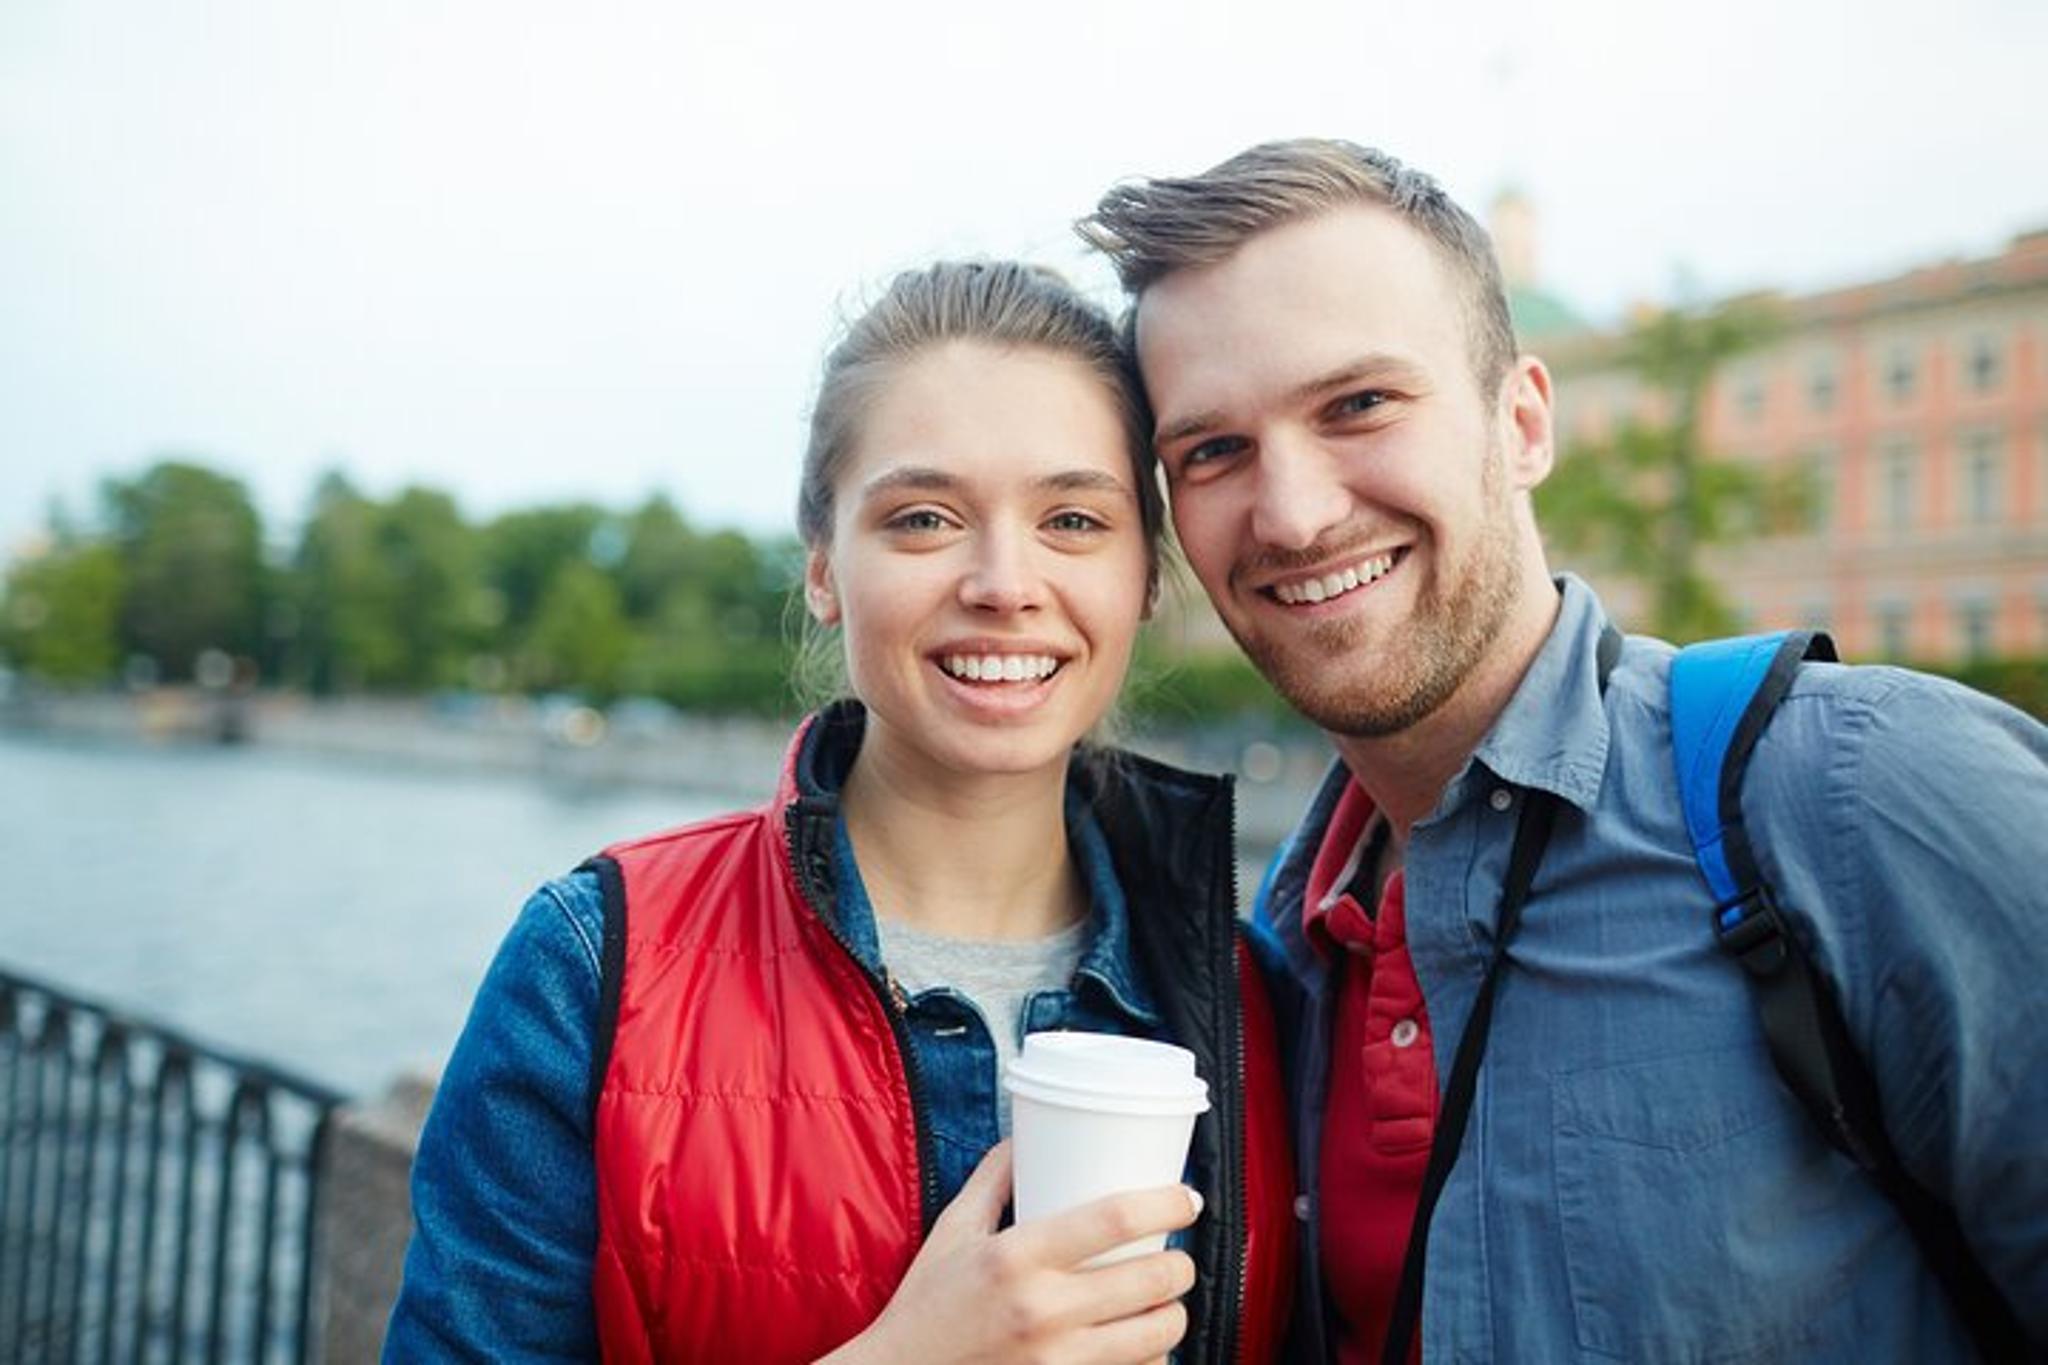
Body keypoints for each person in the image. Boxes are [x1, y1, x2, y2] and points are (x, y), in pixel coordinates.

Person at [1077, 141, 2048, 1362]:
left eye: (1358, 405)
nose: (1292, 512)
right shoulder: (1284, 936)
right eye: (1211, 451)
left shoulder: (1860, 791)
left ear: (1523, 420)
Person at [383, 260, 1296, 1363]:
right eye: (923, 518)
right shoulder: (594, 966)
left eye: (1070, 518)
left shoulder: (1254, 1006)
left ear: (1143, 574)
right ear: (823, 568)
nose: (1004, 582)